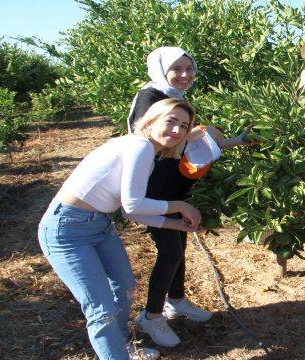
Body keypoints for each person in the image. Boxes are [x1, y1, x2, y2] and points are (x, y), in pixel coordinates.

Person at [37, 99, 201, 360]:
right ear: (150, 120)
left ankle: (121, 345)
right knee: (100, 309)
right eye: (170, 121)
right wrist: (180, 206)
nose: (177, 130)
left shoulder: (147, 152)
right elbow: (134, 204)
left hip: (99, 225)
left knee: (124, 286)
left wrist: (175, 224)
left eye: (184, 126)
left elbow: (130, 211)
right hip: (67, 230)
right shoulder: (140, 146)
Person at [125, 46, 253, 348]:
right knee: (169, 251)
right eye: (177, 69)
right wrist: (194, 134)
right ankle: (151, 316)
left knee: (179, 246)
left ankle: (176, 300)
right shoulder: (150, 97)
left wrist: (235, 141)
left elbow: (190, 142)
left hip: (174, 186)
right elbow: (152, 137)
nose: (185, 75)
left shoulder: (175, 97)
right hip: (153, 189)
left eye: (189, 68)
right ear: (161, 69)